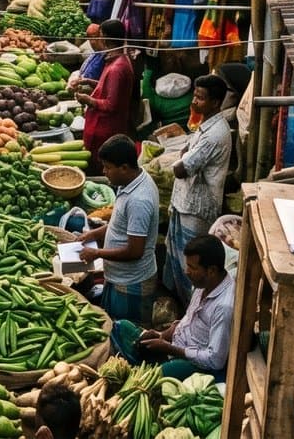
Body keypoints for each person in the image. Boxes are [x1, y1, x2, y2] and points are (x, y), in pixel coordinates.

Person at [112, 237, 235, 380]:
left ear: (212, 271)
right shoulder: (204, 283)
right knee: (122, 326)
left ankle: (154, 364)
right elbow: (188, 319)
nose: (187, 271)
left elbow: (215, 360)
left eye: (192, 268)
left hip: (195, 364)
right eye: (187, 265)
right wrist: (162, 334)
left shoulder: (224, 307)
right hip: (176, 344)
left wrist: (171, 349)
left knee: (151, 376)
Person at [164, 74, 231, 305]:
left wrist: (181, 161)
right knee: (178, 260)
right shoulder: (205, 125)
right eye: (194, 96)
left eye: (200, 98)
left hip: (197, 209)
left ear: (215, 102)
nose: (194, 102)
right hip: (184, 202)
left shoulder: (215, 134)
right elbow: (185, 156)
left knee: (192, 270)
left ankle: (189, 311)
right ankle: (181, 309)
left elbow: (182, 168)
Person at [80, 135, 158, 325]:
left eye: (107, 167)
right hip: (118, 278)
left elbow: (135, 251)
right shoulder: (131, 181)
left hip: (131, 283)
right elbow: (119, 224)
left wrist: (97, 253)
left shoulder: (140, 200)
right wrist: (94, 234)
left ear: (124, 167)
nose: (104, 171)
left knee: (127, 333)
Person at [78, 19, 137, 154]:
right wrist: (88, 81)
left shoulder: (117, 68)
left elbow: (111, 105)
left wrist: (88, 100)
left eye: (100, 35)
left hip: (106, 129)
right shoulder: (116, 59)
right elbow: (108, 87)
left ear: (105, 39)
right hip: (104, 126)